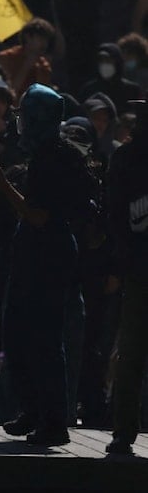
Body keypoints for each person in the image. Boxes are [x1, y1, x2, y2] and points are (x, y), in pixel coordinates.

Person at [0, 84, 97, 446]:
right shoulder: (50, 153)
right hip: (39, 252)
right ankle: (32, 410)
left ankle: (54, 420)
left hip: (48, 255)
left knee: (45, 340)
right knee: (18, 335)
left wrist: (2, 184)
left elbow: (37, 215)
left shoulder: (51, 159)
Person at [106, 100, 148, 454]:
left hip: (135, 268)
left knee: (131, 352)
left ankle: (124, 430)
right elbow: (115, 216)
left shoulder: (125, 158)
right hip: (137, 269)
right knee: (132, 352)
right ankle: (123, 429)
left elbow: (114, 218)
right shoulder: (126, 159)